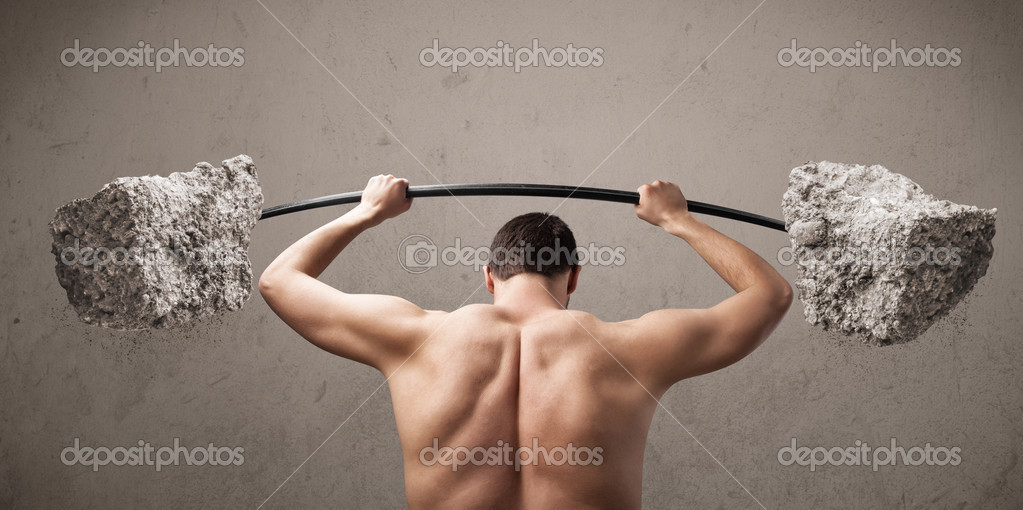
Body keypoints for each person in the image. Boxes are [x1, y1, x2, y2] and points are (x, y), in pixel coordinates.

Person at [259, 175, 792, 509]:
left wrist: (367, 211)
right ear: (575, 277)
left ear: (489, 276)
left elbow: (279, 281)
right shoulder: (628, 351)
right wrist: (679, 221)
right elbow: (770, 295)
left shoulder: (415, 338)